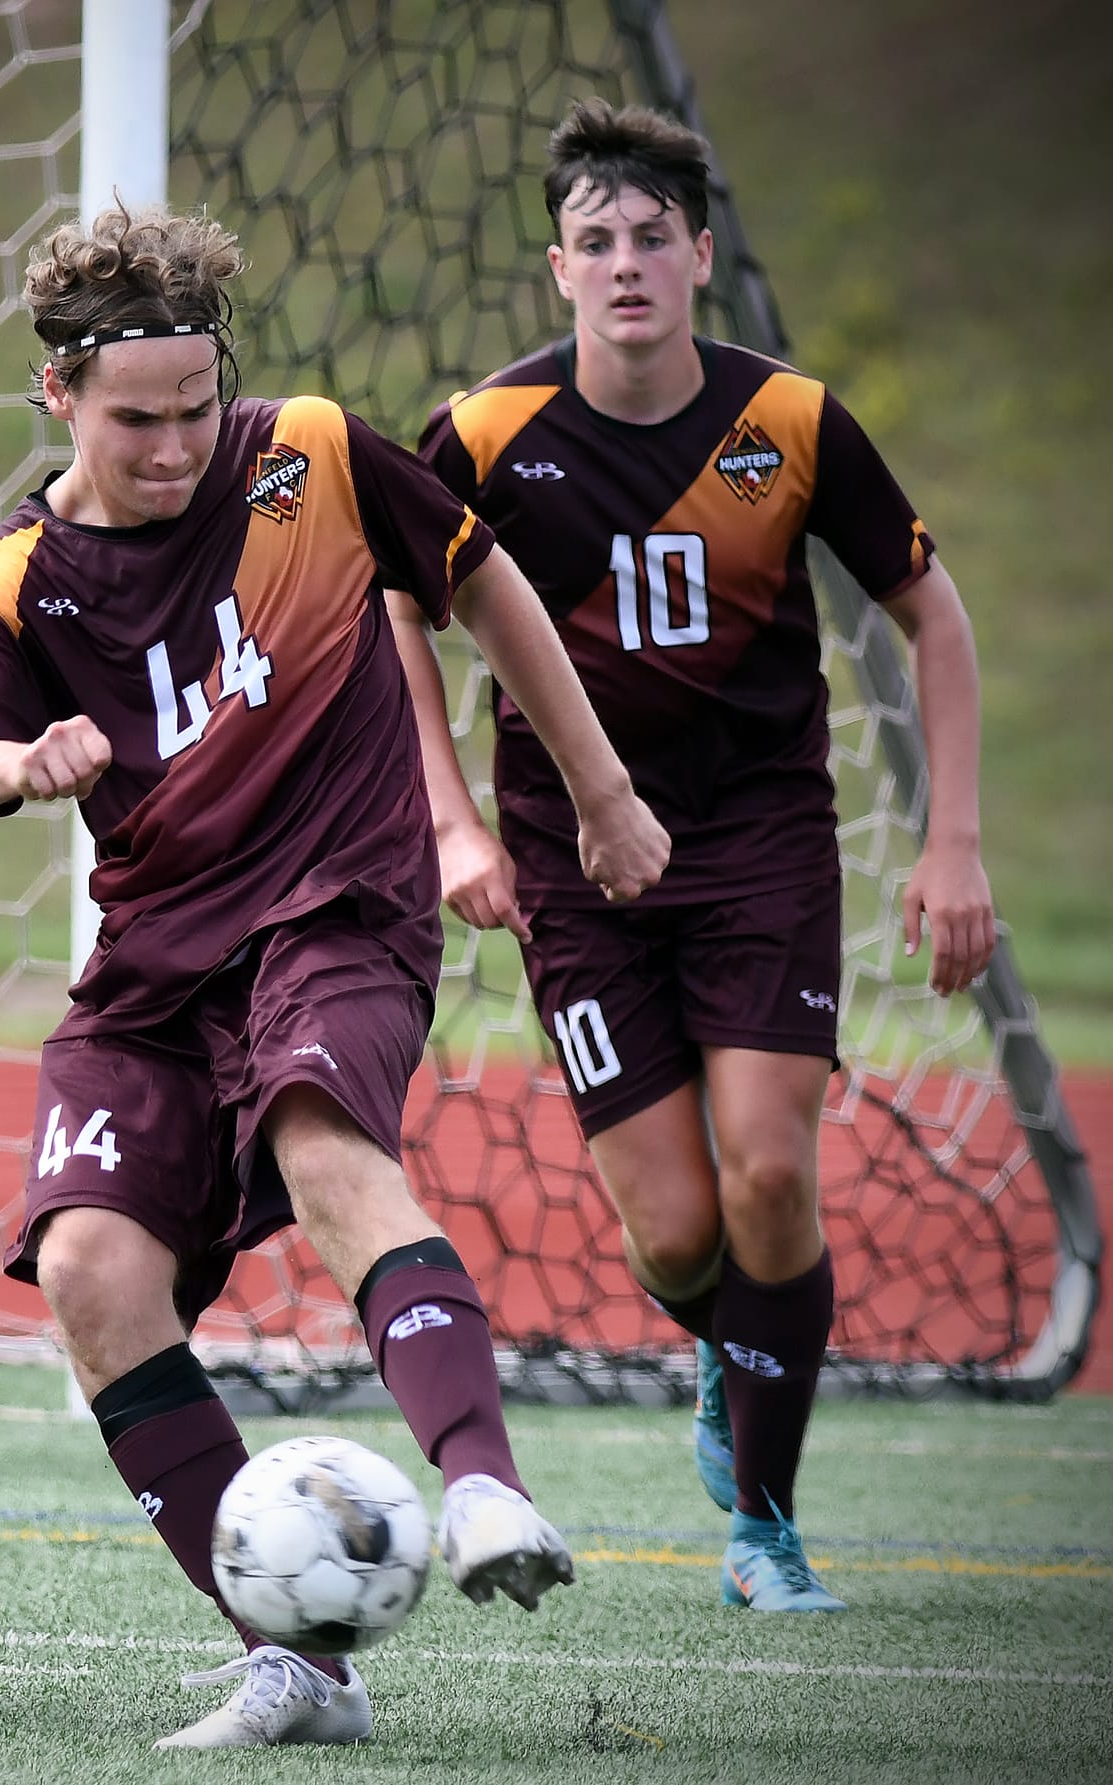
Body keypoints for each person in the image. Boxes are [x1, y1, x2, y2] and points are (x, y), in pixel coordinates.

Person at [0, 202, 669, 1750]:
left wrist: (601, 791)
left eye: (197, 405)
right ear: (58, 394)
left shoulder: (307, 452)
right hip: (155, 967)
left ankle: (483, 1487)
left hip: (339, 908)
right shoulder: (18, 584)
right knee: (88, 1272)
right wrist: (13, 763)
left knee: (324, 1146)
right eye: (136, 419)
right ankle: (301, 1665)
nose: (177, 444)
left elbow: (487, 589)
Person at [395, 98, 995, 1614]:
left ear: (701, 256)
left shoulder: (788, 422)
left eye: (651, 237)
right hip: (576, 869)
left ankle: (766, 1534)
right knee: (673, 1234)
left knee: (771, 1174)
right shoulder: (484, 435)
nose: (625, 264)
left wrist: (954, 843)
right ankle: (740, 1347)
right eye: (594, 241)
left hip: (759, 846)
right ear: (557, 269)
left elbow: (930, 614)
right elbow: (393, 604)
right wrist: (452, 818)